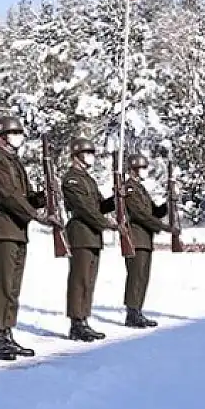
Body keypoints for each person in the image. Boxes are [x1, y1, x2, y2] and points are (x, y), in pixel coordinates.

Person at [0, 115, 62, 360]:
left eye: (20, 134)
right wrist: (37, 215)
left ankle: (7, 332)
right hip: (3, 229)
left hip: (17, 230)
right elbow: (9, 196)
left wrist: (44, 196)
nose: (18, 138)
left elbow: (23, 196)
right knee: (3, 285)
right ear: (2, 137)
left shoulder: (14, 162)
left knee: (13, 288)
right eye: (14, 134)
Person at [60, 137, 116, 342]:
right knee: (79, 278)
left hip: (92, 233)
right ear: (77, 155)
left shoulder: (88, 179)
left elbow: (99, 206)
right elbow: (84, 208)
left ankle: (84, 318)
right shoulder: (72, 179)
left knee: (89, 280)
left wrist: (115, 200)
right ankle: (76, 322)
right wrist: (106, 223)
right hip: (80, 231)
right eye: (87, 153)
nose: (91, 156)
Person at [119, 154, 176, 328]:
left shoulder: (141, 189)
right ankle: (132, 312)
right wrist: (166, 228)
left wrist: (169, 201)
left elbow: (155, 212)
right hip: (135, 238)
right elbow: (141, 215)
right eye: (141, 168)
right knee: (135, 276)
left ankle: (138, 310)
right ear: (133, 170)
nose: (144, 171)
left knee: (143, 276)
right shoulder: (129, 189)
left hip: (145, 239)